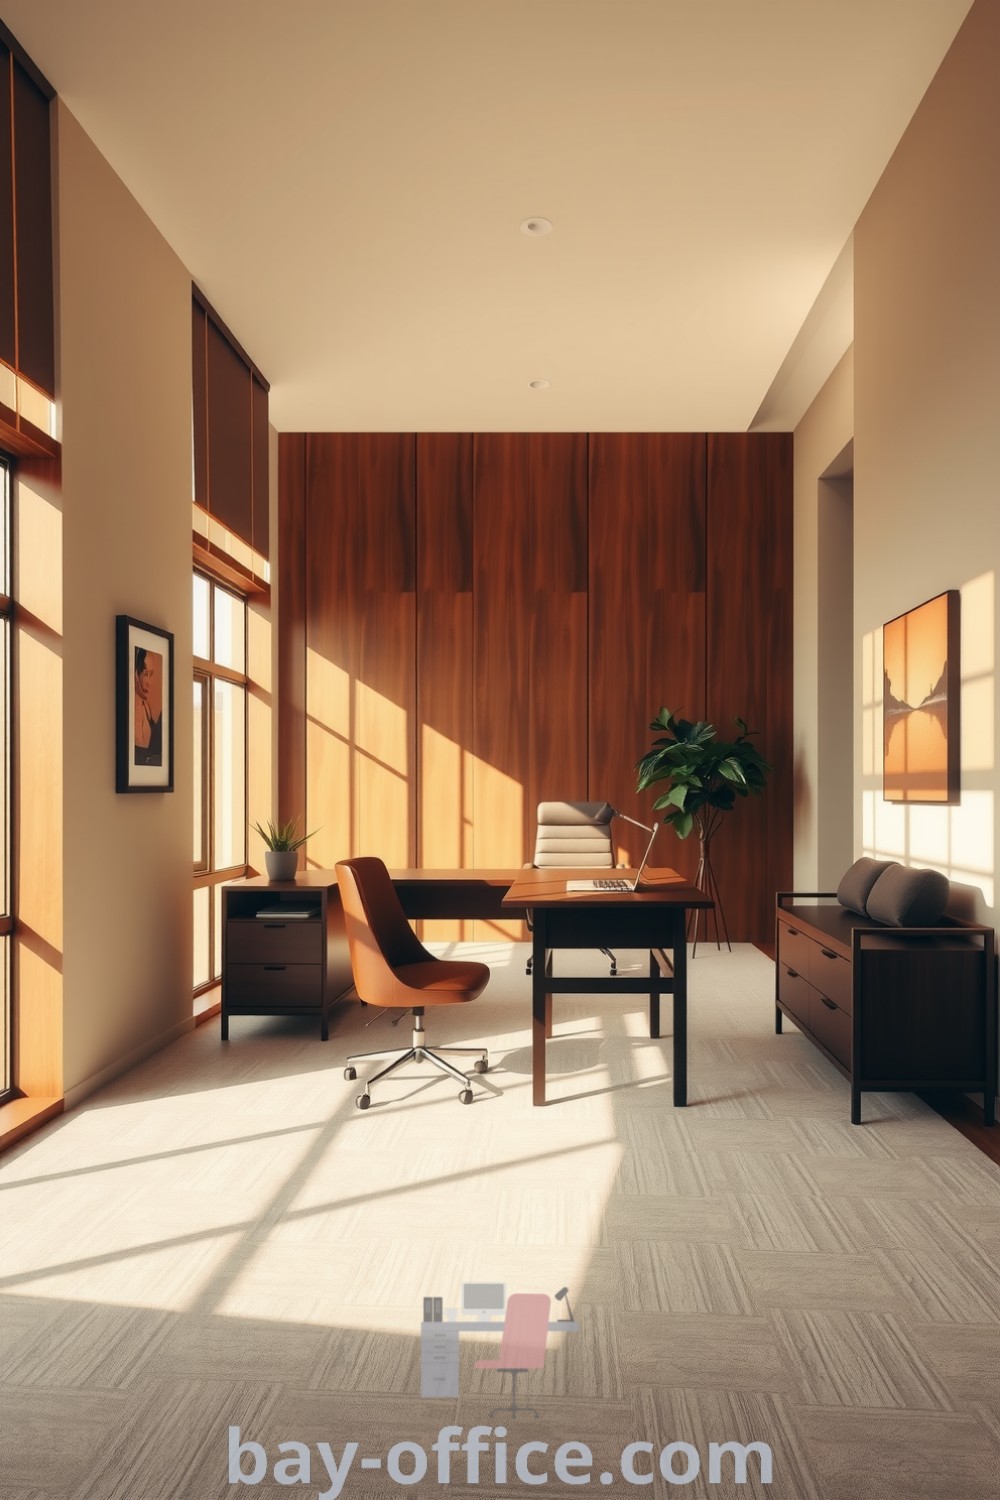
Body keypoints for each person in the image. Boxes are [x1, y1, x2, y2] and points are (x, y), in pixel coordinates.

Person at [134, 647, 162, 765]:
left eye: (151, 675)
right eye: (146, 674)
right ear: (136, 673)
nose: (149, 682)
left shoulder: (146, 708)